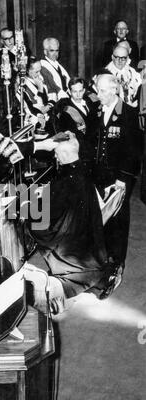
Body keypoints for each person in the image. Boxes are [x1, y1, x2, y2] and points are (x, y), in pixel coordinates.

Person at [27, 134, 119, 305]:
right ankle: (99, 278)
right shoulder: (82, 170)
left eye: (56, 153)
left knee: (33, 224)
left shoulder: (64, 182)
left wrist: (30, 205)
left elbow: (47, 218)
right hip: (87, 238)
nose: (54, 156)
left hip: (70, 242)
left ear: (62, 155)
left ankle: (76, 281)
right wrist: (49, 192)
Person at [88, 74, 142, 276]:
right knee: (100, 219)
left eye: (102, 91)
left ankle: (117, 263)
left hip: (118, 178)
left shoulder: (128, 114)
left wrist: (123, 180)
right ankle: (101, 259)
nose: (98, 94)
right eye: (97, 90)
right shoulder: (96, 110)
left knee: (118, 222)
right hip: (98, 176)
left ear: (114, 90)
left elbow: (134, 152)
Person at [16, 56, 55, 132]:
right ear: (27, 71)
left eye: (40, 70)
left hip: (48, 113)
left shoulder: (41, 77)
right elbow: (34, 107)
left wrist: (49, 105)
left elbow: (52, 95)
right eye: (36, 71)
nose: (39, 74)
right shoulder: (23, 85)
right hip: (34, 119)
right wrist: (40, 89)